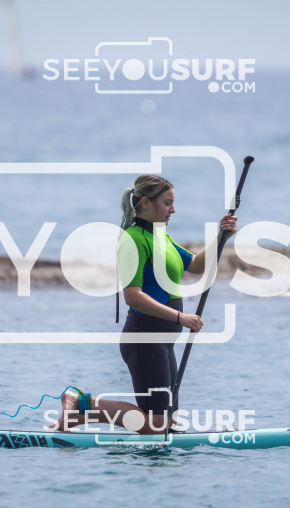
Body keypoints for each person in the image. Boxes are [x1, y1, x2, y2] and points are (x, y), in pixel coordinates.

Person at [50, 175, 237, 434]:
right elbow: (132, 296)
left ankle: (77, 416)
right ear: (146, 203)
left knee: (169, 424)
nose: (173, 209)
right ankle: (83, 404)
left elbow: (195, 265)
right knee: (158, 425)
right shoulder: (134, 239)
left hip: (162, 342)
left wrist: (222, 236)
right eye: (167, 203)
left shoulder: (161, 237)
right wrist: (181, 318)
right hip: (144, 337)